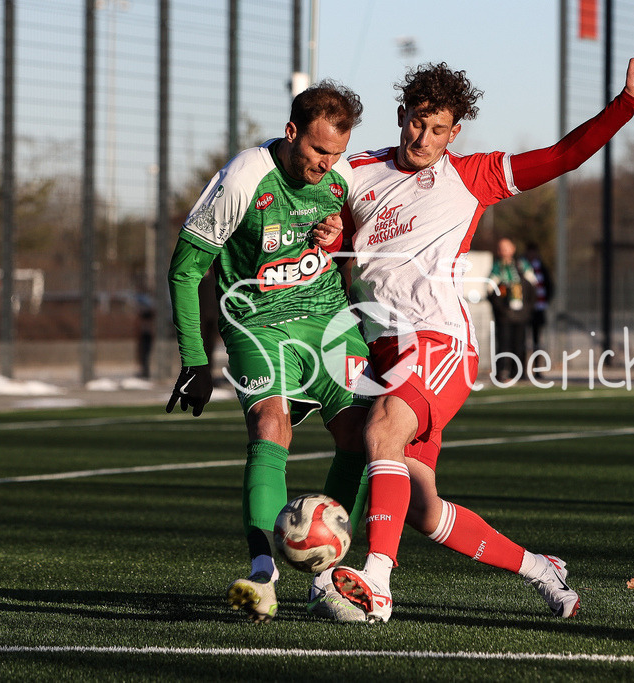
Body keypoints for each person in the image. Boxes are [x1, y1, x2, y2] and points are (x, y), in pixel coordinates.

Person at [325, 49, 634, 623]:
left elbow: (564, 155)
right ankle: (542, 570)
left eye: (438, 130)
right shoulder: (354, 173)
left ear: (455, 132)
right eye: (416, 122)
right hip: (382, 349)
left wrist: (627, 102)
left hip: (439, 341)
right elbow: (334, 246)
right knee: (424, 510)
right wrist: (328, 236)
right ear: (401, 112)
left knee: (381, 433)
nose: (424, 138)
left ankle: (376, 582)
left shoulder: (469, 174)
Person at [164, 80, 371, 624]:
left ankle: (324, 578)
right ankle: (263, 574)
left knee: (361, 434)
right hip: (258, 323)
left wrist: (336, 232)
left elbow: (353, 237)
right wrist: (194, 359)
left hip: (327, 317)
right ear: (291, 132)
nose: (328, 164)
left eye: (338, 154)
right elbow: (186, 270)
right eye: (319, 150)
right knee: (271, 426)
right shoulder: (244, 177)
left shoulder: (341, 177)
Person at [487, 237, 538, 382]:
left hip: (521, 313)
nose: (503, 251)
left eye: (506, 247)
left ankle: (519, 372)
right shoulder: (497, 267)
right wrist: (501, 308)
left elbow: (533, 286)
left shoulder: (522, 265)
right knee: (503, 342)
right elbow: (490, 290)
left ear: (513, 248)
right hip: (505, 314)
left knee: (520, 343)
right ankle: (502, 371)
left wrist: (528, 308)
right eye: (501, 248)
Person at [524, 241, 554, 362]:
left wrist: (545, 301)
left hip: (539, 309)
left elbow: (549, 286)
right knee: (523, 340)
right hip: (525, 310)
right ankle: (521, 369)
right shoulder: (522, 267)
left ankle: (537, 369)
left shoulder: (541, 267)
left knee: (537, 340)